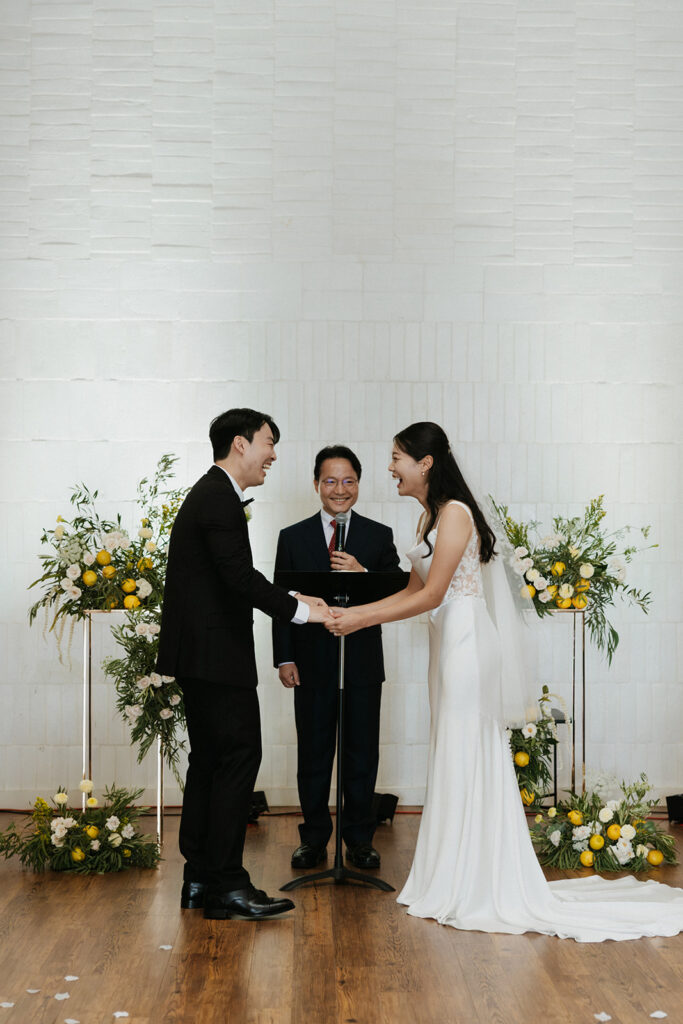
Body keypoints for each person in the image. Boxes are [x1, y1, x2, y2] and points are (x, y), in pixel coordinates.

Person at [327, 422, 683, 941]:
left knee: (467, 747)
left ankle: (475, 880)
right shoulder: (429, 514)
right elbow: (412, 588)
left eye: (397, 457)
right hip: (445, 644)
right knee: (451, 749)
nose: (390, 467)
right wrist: (359, 601)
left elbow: (431, 596)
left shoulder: (454, 514)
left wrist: (357, 620)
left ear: (425, 464)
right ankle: (453, 872)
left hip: (467, 643)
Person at [157, 408, 329, 921]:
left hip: (202, 656)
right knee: (237, 759)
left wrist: (291, 596)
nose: (272, 454)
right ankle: (228, 884)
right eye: (268, 443)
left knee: (211, 763)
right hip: (214, 657)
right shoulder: (217, 497)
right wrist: (301, 609)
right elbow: (237, 574)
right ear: (240, 444)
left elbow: (227, 574)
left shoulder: (211, 494)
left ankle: (200, 879)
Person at [273, 445, 400, 870]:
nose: (339, 489)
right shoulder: (292, 537)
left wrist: (364, 574)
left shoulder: (379, 536)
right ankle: (312, 840)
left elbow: (401, 594)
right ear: (316, 485)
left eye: (348, 481)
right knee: (313, 754)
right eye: (330, 481)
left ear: (358, 485)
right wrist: (283, 658)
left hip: (363, 664)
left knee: (361, 755)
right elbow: (281, 603)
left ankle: (359, 841)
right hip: (310, 665)